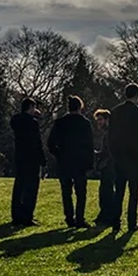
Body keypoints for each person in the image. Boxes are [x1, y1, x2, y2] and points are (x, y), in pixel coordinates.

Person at [107, 82, 138, 231]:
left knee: (118, 190)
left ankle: (115, 222)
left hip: (119, 156)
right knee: (134, 191)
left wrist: (113, 152)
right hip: (133, 156)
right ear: (137, 96)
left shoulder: (115, 111)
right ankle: (132, 223)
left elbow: (111, 135)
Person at [46, 95, 94, 228]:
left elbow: (50, 143)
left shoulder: (60, 122)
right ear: (80, 107)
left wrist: (58, 154)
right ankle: (80, 218)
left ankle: (69, 217)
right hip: (80, 162)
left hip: (64, 161)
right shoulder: (85, 123)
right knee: (81, 192)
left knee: (66, 191)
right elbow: (90, 145)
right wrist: (90, 163)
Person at [9, 98, 45, 226]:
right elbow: (36, 142)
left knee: (19, 186)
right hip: (32, 158)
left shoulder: (15, 120)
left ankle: (16, 215)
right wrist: (42, 158)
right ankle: (27, 216)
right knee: (31, 188)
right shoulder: (32, 123)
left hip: (20, 156)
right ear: (30, 107)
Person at [91, 108, 114, 226]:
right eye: (97, 120)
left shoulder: (109, 134)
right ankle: (105, 215)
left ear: (107, 119)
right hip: (108, 164)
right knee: (105, 191)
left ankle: (107, 216)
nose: (98, 122)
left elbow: (108, 152)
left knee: (106, 192)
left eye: (100, 120)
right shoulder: (108, 133)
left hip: (109, 165)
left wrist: (97, 155)